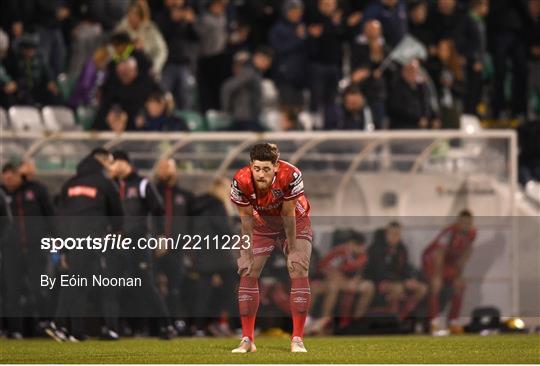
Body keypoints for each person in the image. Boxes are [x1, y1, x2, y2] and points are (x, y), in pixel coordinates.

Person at [229, 142, 312, 353]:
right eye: (256, 168)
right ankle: (247, 340)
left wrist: (292, 249)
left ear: (276, 166)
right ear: (251, 166)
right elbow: (246, 220)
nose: (261, 174)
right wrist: (246, 253)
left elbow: (288, 213)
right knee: (248, 270)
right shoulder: (240, 180)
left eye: (266, 169)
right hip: (262, 224)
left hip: (296, 221)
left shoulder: (291, 174)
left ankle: (297, 340)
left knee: (298, 268)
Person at [46, 148, 124, 342]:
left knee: (79, 283)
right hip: (90, 238)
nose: (111, 166)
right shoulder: (105, 183)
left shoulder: (70, 184)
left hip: (70, 238)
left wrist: (63, 247)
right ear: (103, 161)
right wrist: (114, 232)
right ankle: (58, 323)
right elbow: (117, 214)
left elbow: (60, 216)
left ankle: (75, 331)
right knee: (75, 283)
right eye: (110, 161)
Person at [111, 150, 175, 339]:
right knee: (120, 285)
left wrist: (162, 236)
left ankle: (165, 325)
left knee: (146, 285)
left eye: (113, 163)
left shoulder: (142, 184)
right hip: (117, 243)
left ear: (123, 163)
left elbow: (158, 210)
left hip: (138, 242)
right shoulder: (111, 186)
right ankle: (127, 327)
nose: (111, 168)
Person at [1, 162, 55, 338]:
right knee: (12, 291)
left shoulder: (36, 190)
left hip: (36, 250)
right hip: (10, 251)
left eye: (12, 175)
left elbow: (51, 217)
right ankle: (14, 330)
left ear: (19, 175)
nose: (8, 180)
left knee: (40, 288)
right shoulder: (2, 195)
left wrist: (56, 242)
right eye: (5, 176)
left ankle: (45, 325)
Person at [307, 229, 374, 334]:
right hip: (325, 281)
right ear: (350, 244)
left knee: (369, 287)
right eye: (358, 246)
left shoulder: (363, 256)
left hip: (347, 283)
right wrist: (346, 283)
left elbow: (360, 273)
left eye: (362, 246)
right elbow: (328, 272)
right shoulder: (338, 253)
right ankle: (322, 322)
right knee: (333, 287)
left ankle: (357, 322)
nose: (361, 249)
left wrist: (354, 281)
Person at [422, 210, 476, 336]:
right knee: (435, 287)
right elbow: (439, 253)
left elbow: (465, 254)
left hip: (448, 263)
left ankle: (452, 322)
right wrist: (437, 276)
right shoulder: (450, 232)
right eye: (462, 222)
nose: (465, 225)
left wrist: (458, 275)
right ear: (458, 221)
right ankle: (434, 323)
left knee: (459, 286)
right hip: (432, 259)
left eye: (468, 222)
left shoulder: (472, 234)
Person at [365, 222, 427, 322]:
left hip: (398, 281)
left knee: (422, 288)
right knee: (398, 289)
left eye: (397, 234)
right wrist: (403, 281)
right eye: (392, 233)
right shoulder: (376, 248)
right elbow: (379, 272)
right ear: (386, 234)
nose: (395, 237)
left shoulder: (402, 249)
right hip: (378, 281)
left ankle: (403, 315)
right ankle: (391, 319)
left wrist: (412, 279)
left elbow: (405, 267)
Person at [93, 57, 161, 131]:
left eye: (126, 72)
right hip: (115, 125)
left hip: (141, 126)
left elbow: (160, 99)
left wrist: (144, 115)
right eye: (120, 73)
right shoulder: (112, 85)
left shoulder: (146, 83)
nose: (123, 75)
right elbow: (106, 105)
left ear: (135, 71)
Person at [156, 0, 199, 110]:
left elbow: (197, 37)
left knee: (186, 94)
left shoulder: (188, 12)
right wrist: (172, 21)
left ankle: (186, 121)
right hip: (168, 63)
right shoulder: (163, 15)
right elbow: (161, 36)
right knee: (163, 93)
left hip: (185, 63)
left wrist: (191, 22)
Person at [220, 48, 273, 131]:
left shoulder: (255, 72)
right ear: (259, 58)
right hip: (245, 118)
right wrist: (227, 108)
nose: (268, 65)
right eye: (267, 61)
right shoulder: (249, 72)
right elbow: (227, 87)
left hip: (251, 116)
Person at [269, 0, 309, 109]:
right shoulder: (278, 29)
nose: (297, 14)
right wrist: (298, 38)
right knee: (288, 111)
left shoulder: (301, 27)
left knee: (300, 111)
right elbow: (278, 49)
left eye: (299, 12)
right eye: (294, 11)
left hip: (300, 77)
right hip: (285, 77)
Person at [115, 0, 168, 76]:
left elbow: (162, 51)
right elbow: (115, 54)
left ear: (142, 15)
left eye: (136, 14)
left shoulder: (150, 29)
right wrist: (131, 46)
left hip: (146, 71)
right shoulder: (121, 28)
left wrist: (155, 68)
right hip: (125, 72)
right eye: (130, 13)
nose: (132, 17)